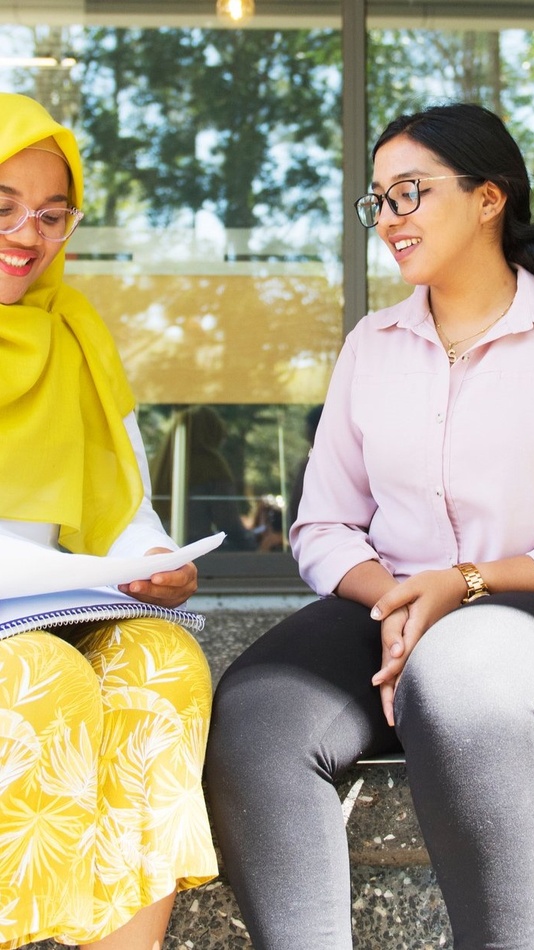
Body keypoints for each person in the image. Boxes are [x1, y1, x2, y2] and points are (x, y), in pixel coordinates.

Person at [206, 102, 534, 949]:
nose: (388, 218)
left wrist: (463, 586)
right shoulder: (372, 346)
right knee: (258, 712)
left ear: (489, 198)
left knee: (456, 676)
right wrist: (397, 600)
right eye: (378, 200)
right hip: (392, 607)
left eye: (409, 192)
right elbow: (323, 525)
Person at [0, 93, 218, 949]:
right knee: (42, 679)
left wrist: (156, 559)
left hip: (40, 615)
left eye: (52, 215)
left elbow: (124, 509)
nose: (28, 235)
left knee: (164, 663)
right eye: (3, 208)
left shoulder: (76, 334)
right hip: (31, 649)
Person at [151, 405, 257, 550]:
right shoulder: (211, 466)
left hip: (161, 546)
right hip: (197, 551)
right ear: (213, 432)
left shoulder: (161, 464)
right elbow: (228, 524)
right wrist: (254, 544)